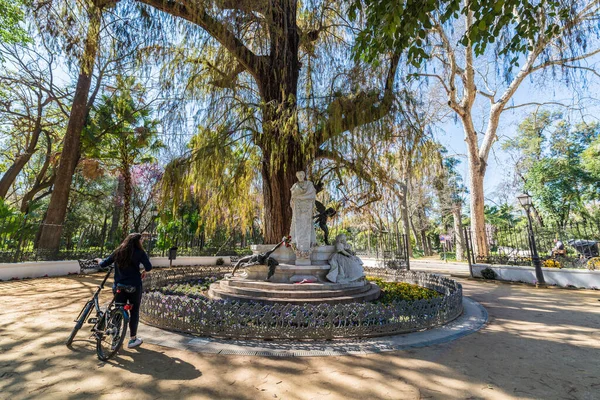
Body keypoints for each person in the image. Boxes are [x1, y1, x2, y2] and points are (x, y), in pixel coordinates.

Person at [96, 233, 152, 349]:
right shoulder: (139, 252)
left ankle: (115, 340)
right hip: (134, 287)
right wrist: (144, 271)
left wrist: (98, 260)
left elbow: (103, 264)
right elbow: (149, 267)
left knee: (118, 310)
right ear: (137, 241)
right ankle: (132, 340)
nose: (142, 242)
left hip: (119, 287)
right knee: (134, 311)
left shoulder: (118, 251)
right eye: (141, 240)